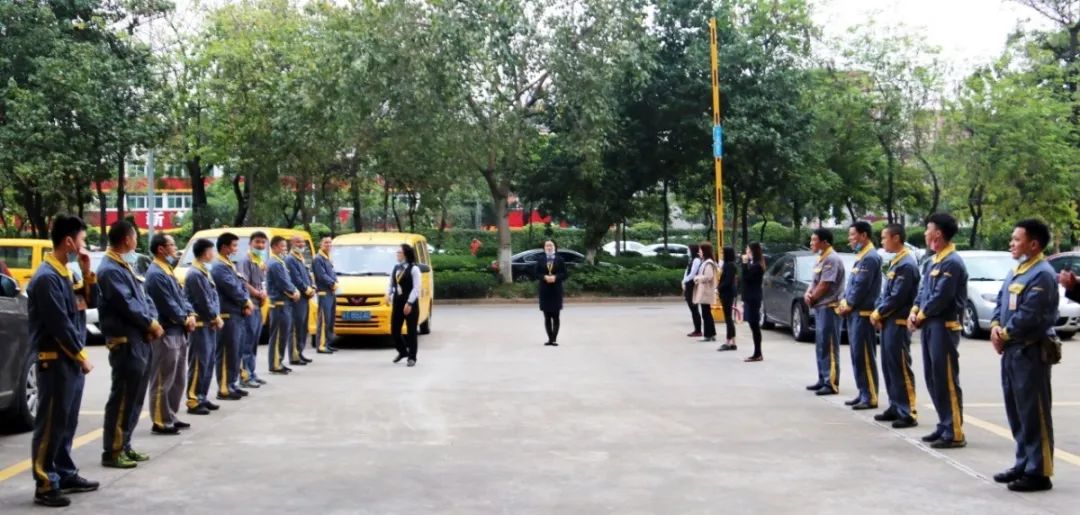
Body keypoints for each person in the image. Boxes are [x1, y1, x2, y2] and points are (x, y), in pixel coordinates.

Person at [27, 215, 99, 507]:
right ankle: (45, 482)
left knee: (67, 421)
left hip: (70, 360)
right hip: (55, 359)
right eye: (81, 240)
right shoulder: (46, 278)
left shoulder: (67, 272)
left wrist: (87, 270)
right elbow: (59, 325)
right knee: (51, 423)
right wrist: (81, 356)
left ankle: (64, 472)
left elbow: (88, 303)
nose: (83, 245)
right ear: (69, 241)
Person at [989, 219, 1059, 492]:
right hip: (1012, 351)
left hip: (1030, 351)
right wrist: (995, 326)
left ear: (1034, 244)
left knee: (1034, 412)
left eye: (1017, 239)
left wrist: (1004, 334)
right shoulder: (1018, 270)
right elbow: (1001, 301)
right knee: (1017, 411)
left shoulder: (1042, 274)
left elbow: (1031, 315)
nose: (1012, 243)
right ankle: (1024, 462)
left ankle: (1039, 471)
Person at [98, 220, 163, 469]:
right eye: (135, 237)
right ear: (127, 239)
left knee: (135, 396)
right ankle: (113, 450)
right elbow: (126, 304)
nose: (136, 241)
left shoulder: (124, 266)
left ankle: (125, 444)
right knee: (123, 396)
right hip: (125, 341)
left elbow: (144, 299)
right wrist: (149, 323)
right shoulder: (110, 269)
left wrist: (152, 322)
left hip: (138, 338)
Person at [908, 213, 968, 449]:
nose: (925, 233)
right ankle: (944, 424)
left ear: (938, 234)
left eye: (928, 229)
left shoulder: (952, 262)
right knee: (933, 378)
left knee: (946, 379)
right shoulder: (933, 261)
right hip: (929, 325)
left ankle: (954, 431)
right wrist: (915, 310)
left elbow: (942, 296)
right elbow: (923, 291)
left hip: (944, 326)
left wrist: (920, 315)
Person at [144, 234, 196, 435]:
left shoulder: (167, 270)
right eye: (172, 244)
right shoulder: (156, 274)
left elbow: (181, 297)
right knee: (162, 378)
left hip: (178, 330)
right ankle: (160, 420)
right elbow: (167, 303)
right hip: (166, 331)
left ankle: (170, 415)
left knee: (177, 378)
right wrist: (184, 318)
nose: (175, 248)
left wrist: (190, 313)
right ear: (161, 249)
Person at [870, 224, 921, 429]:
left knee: (900, 367)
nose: (882, 242)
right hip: (889, 321)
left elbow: (897, 296)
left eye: (885, 238)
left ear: (896, 238)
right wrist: (879, 311)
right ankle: (895, 405)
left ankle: (908, 411)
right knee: (889, 366)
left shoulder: (907, 264)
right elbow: (886, 293)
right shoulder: (896, 262)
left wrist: (878, 312)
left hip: (899, 322)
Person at [837, 221, 883, 410]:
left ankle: (870, 395)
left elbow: (862, 285)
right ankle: (863, 391)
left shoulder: (870, 257)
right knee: (857, 355)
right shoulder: (862, 256)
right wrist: (844, 301)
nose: (850, 239)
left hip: (863, 313)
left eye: (852, 235)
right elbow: (852, 284)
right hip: (855, 313)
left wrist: (848, 303)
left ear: (864, 235)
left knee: (864, 356)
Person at [211, 233, 255, 400]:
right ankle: (224, 388)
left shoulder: (229, 264)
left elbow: (241, 284)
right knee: (226, 352)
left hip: (237, 313)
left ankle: (231, 383)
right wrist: (245, 301)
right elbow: (231, 288)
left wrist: (246, 302)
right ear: (224, 247)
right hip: (227, 314)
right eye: (234, 245)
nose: (236, 249)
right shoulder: (219, 266)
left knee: (236, 351)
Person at [184, 239, 224, 415]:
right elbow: (203, 301)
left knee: (208, 362)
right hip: (201, 324)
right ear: (206, 252)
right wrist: (215, 316)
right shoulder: (195, 274)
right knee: (199, 363)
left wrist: (216, 316)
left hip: (209, 323)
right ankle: (193, 399)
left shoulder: (203, 271)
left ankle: (202, 396)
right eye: (212, 251)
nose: (213, 254)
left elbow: (213, 297)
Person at [804, 228, 845, 396]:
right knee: (821, 345)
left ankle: (831, 382)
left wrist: (812, 298)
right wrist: (808, 293)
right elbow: (814, 281)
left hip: (829, 307)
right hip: (820, 307)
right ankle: (822, 378)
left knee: (829, 346)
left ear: (825, 242)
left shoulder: (831, 259)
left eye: (814, 240)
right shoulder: (821, 258)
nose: (811, 243)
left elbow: (825, 284)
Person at [237, 232, 270, 389]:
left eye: (263, 242)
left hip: (259, 305)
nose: (260, 245)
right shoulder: (245, 260)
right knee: (247, 342)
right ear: (250, 244)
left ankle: (252, 372)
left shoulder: (260, 261)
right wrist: (257, 293)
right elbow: (243, 282)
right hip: (250, 306)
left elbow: (263, 282)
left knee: (254, 342)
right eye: (257, 242)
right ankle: (245, 376)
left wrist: (263, 293)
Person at [267, 236, 300, 374]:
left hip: (284, 303)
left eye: (286, 246)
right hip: (279, 304)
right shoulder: (275, 263)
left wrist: (294, 290)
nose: (285, 249)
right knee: (278, 335)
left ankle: (279, 361)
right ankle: (275, 364)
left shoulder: (280, 262)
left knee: (283, 335)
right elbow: (283, 283)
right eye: (282, 246)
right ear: (274, 247)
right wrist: (294, 292)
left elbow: (288, 280)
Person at [388, 244, 423, 365]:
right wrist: (388, 294)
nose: (397, 254)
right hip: (397, 302)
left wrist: (409, 302)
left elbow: (416, 288)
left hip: (410, 302)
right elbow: (391, 284)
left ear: (406, 254)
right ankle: (403, 351)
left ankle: (412, 357)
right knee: (394, 330)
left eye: (399, 252)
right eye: (397, 252)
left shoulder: (414, 269)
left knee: (411, 331)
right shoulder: (396, 267)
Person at [285, 236, 315, 365]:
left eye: (302, 242)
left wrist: (312, 287)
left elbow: (307, 275)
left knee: (303, 327)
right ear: (292, 243)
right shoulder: (290, 259)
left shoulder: (300, 258)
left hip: (305, 297)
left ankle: (300, 352)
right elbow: (296, 279)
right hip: (298, 298)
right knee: (296, 327)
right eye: (298, 242)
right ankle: (294, 356)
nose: (301, 244)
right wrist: (307, 289)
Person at [534, 240, 568, 347]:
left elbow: (564, 274)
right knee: (547, 316)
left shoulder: (560, 259)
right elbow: (536, 273)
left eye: (551, 245)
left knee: (556, 316)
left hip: (556, 290)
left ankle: (554, 339)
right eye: (547, 245)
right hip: (545, 290)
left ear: (554, 247)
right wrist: (544, 277)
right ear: (544, 248)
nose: (549, 247)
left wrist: (555, 277)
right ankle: (550, 339)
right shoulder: (540, 259)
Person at [313, 236, 339, 354]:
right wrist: (332, 283)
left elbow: (332, 273)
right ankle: (321, 345)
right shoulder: (318, 259)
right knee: (324, 320)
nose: (328, 245)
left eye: (330, 243)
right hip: (324, 292)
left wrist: (336, 282)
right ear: (321, 244)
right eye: (326, 243)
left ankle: (328, 343)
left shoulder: (327, 258)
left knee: (330, 320)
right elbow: (321, 275)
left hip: (331, 292)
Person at [741, 243, 766, 362]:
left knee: (755, 325)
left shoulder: (757, 266)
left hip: (753, 298)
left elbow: (746, 277)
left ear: (752, 251)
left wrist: (744, 263)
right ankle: (757, 352)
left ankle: (758, 353)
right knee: (752, 325)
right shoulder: (753, 264)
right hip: (749, 297)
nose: (746, 251)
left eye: (748, 249)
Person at [693, 242, 718, 343]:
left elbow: (709, 276)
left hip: (706, 291)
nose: (699, 252)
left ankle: (708, 335)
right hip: (705, 290)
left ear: (705, 251)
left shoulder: (708, 263)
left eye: (700, 250)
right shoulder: (705, 262)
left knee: (706, 314)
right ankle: (711, 334)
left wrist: (697, 278)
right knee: (707, 313)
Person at [717, 247, 738, 351]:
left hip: (727, 294)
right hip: (727, 293)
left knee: (728, 318)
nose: (722, 254)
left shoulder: (729, 265)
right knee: (729, 318)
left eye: (723, 252)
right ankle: (733, 342)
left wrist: (718, 288)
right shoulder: (729, 265)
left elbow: (727, 281)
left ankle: (728, 341)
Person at [682, 243, 703, 337]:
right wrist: (684, 281)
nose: (687, 251)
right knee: (692, 308)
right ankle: (696, 329)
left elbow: (692, 274)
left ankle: (698, 330)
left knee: (694, 308)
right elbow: (687, 272)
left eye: (688, 249)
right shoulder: (692, 260)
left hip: (692, 285)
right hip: (688, 284)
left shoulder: (696, 260)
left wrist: (685, 280)